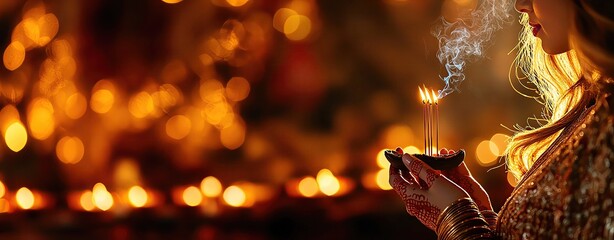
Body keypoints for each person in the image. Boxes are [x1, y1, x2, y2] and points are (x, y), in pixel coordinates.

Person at [388, 0, 614, 239]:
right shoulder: (595, 103)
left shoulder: (607, 121)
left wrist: (458, 219)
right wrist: (480, 216)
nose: (520, 4)